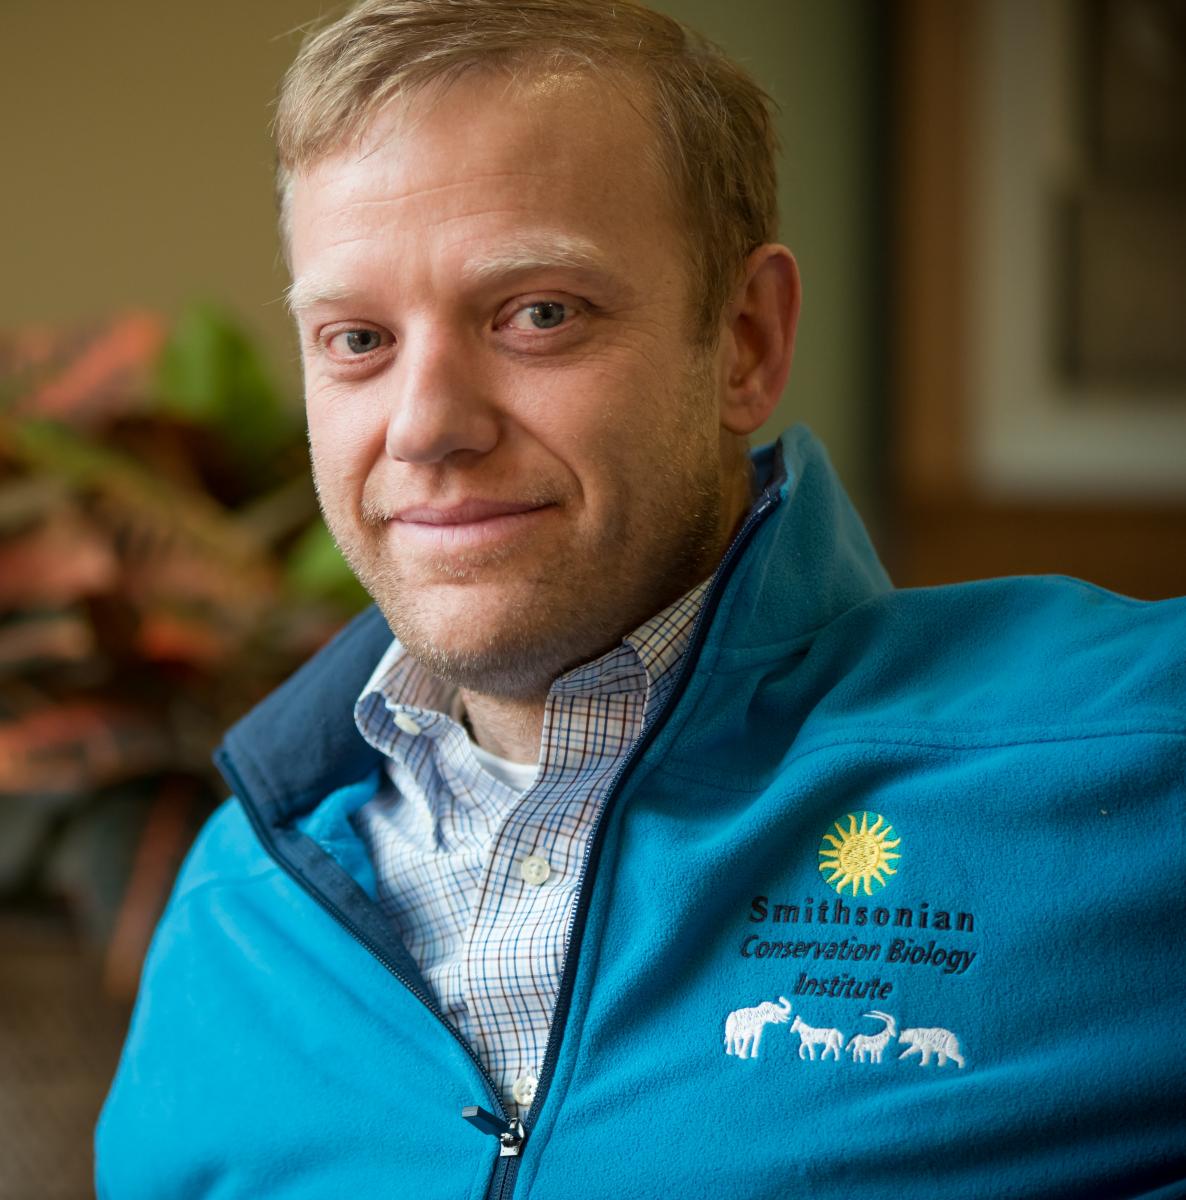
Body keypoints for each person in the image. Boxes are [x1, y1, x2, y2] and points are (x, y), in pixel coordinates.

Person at [96, 2, 1186, 1196]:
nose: (425, 427)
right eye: (358, 339)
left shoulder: (1127, 758)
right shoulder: (231, 908)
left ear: (743, 344)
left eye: (539, 315)